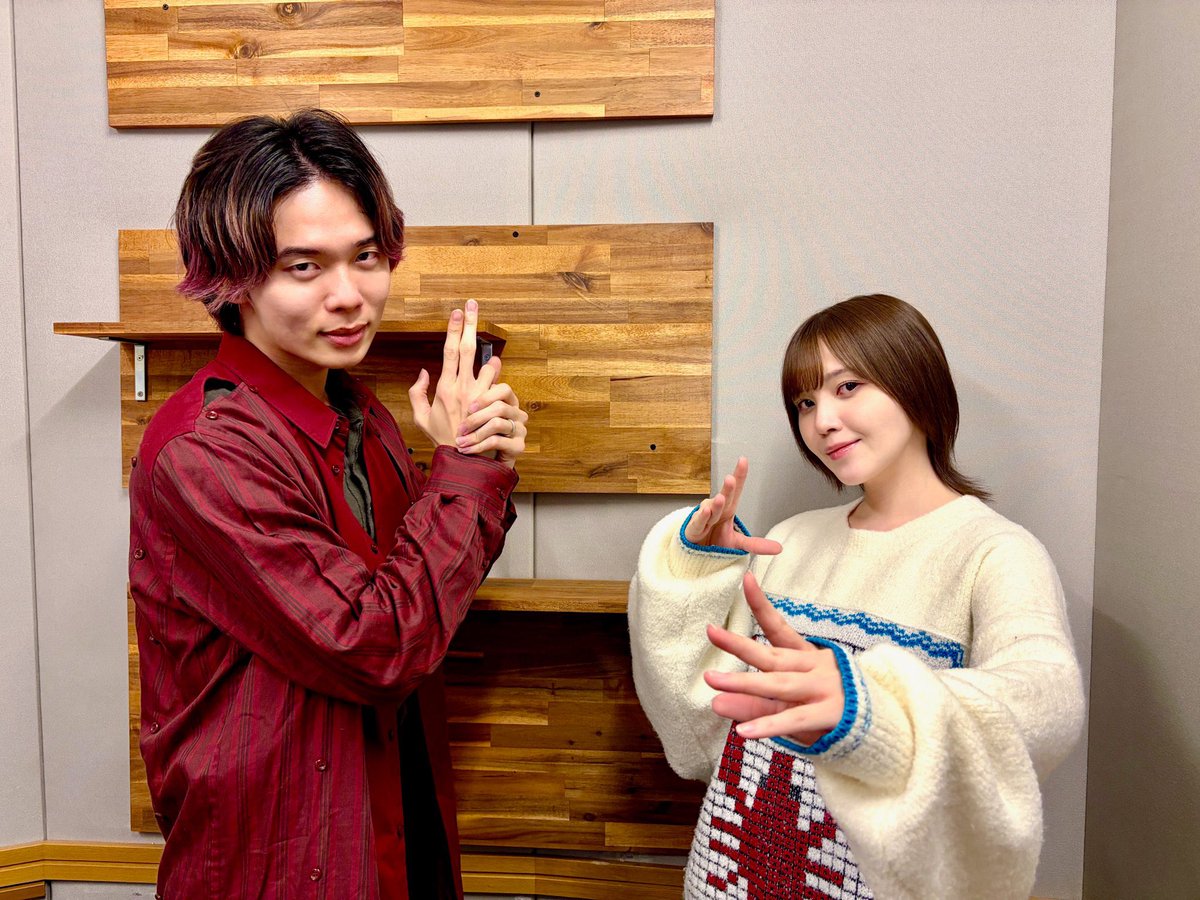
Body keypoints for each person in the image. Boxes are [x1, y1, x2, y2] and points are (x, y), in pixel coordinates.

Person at [128, 108, 528, 899]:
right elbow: (377, 646)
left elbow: (417, 606)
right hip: (275, 867)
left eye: (366, 257)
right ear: (232, 276)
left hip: (387, 837)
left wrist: (470, 464)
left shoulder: (361, 412)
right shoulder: (207, 450)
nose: (350, 297)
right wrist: (462, 476)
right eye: (304, 267)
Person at [628, 294, 1084, 899]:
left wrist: (869, 709)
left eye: (847, 387)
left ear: (915, 382)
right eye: (805, 402)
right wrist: (694, 567)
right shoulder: (790, 539)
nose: (822, 421)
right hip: (728, 879)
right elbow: (699, 726)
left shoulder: (994, 551)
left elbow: (1047, 700)